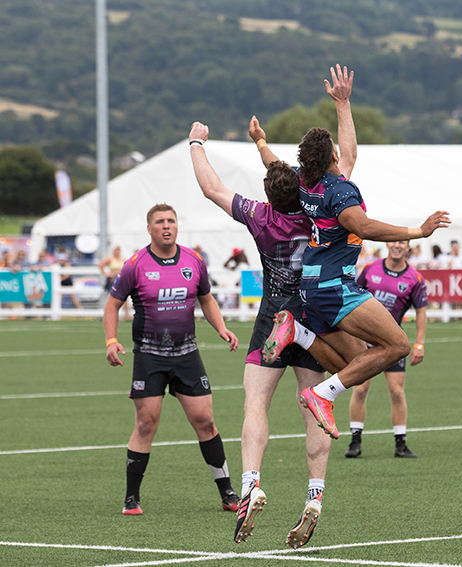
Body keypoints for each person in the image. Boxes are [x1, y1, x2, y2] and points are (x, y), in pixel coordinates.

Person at [189, 64, 355, 549]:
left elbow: (211, 188)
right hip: (314, 319)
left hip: (272, 319)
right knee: (314, 405)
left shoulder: (260, 216)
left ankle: (251, 485)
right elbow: (346, 157)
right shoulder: (317, 202)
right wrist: (342, 103)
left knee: (255, 404)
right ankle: (314, 497)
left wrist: (197, 143)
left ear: (268, 192)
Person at [261, 70, 451, 440]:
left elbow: (279, 164)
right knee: (397, 345)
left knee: (355, 364)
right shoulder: (339, 192)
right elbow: (362, 226)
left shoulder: (307, 182)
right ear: (331, 156)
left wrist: (341, 103)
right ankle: (321, 395)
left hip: (311, 287)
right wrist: (418, 231)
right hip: (334, 286)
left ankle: (296, 332)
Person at [103, 203, 240, 517]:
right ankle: (131, 498)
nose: (166, 226)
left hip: (187, 354)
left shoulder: (194, 260)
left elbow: (206, 298)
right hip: (149, 356)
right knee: (145, 423)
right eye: (160, 222)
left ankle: (227, 492)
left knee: (206, 421)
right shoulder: (135, 264)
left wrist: (221, 328)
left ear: (177, 226)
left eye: (171, 221)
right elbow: (112, 305)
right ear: (149, 228)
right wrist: (111, 340)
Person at [344, 239, 428, 459]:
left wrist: (419, 344)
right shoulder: (370, 269)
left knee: (397, 392)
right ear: (388, 244)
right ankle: (355, 441)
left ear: (408, 248)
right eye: (395, 241)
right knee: (359, 389)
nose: (398, 245)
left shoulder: (415, 278)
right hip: (365, 340)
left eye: (403, 242)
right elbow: (352, 297)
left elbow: (421, 311)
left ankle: (401, 444)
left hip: (393, 343)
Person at [99, 245, 130, 318]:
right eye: (116, 250)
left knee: (125, 297)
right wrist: (106, 273)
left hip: (121, 279)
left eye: (118, 250)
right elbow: (100, 265)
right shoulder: (110, 259)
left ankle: (126, 314)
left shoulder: (122, 259)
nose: (117, 252)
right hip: (113, 280)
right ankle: (110, 314)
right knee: (113, 297)